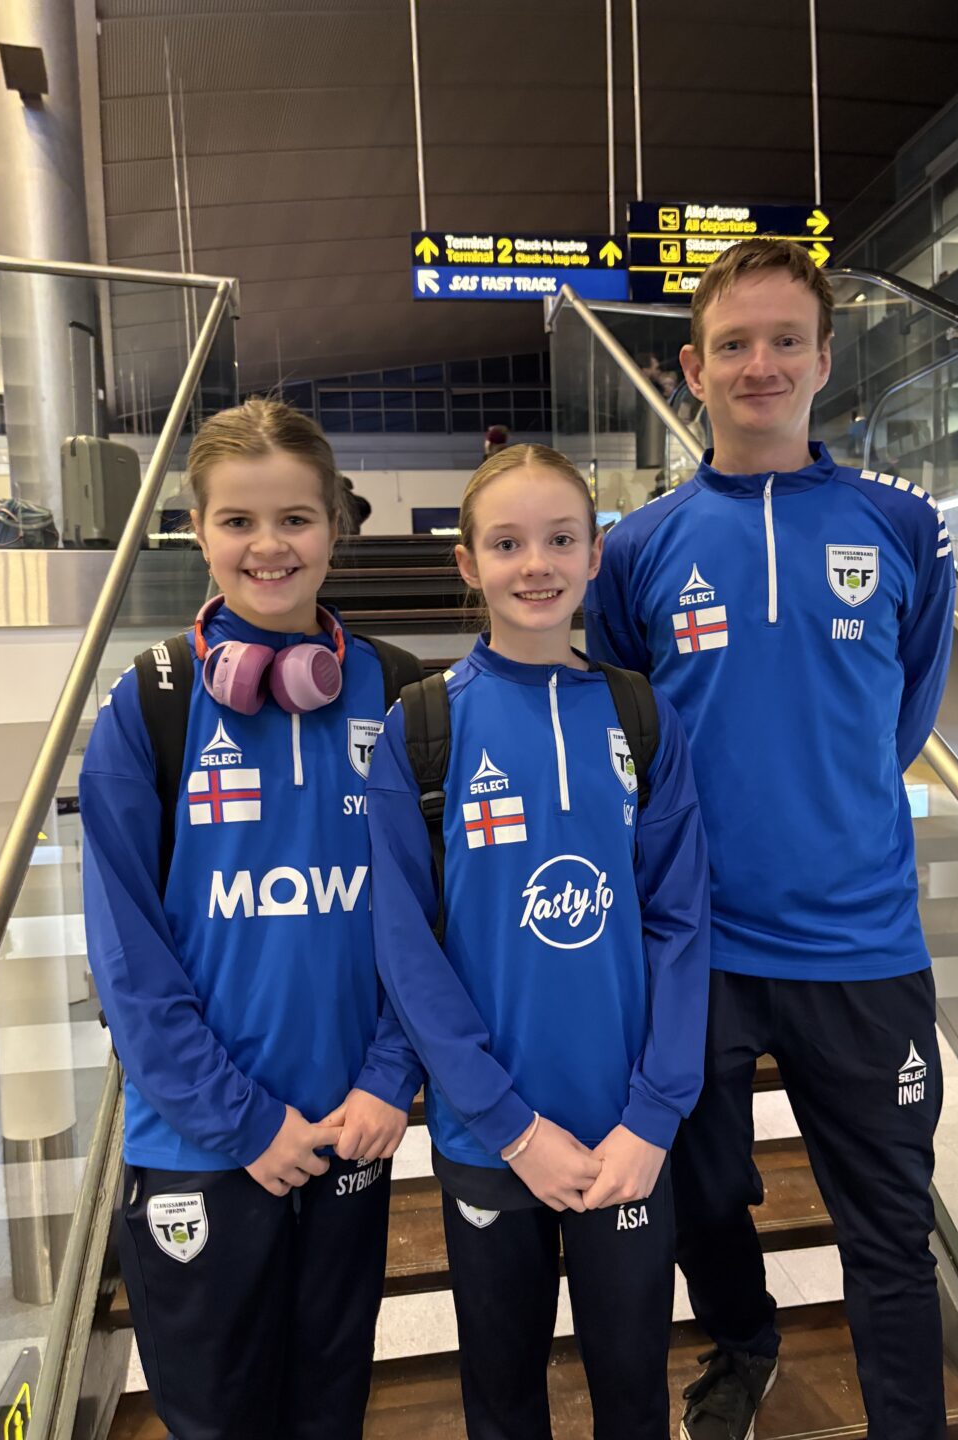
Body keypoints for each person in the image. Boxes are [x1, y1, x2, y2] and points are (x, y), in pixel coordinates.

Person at [585, 239, 956, 1440]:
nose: (762, 364)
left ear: (825, 359)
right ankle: (743, 1343)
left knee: (891, 1229)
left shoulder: (904, 528)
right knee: (700, 1193)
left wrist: (824, 794)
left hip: (864, 947)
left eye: (785, 340)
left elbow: (901, 719)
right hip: (700, 944)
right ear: (693, 370)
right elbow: (626, 734)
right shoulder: (637, 549)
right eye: (734, 344)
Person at [80, 399, 422, 1440]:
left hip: (352, 1129)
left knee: (329, 1407)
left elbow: (431, 924)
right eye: (238, 521)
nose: (268, 546)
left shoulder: (401, 694)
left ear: (336, 527)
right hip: (201, 1141)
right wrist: (243, 1122)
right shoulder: (151, 704)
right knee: (220, 1419)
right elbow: (129, 961)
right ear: (197, 530)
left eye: (296, 519)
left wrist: (388, 1078)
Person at [366, 443, 712, 1439]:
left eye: (561, 539)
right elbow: (407, 952)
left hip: (625, 1134)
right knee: (504, 1394)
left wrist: (654, 1114)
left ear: (596, 555)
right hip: (489, 1138)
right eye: (507, 543)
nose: (537, 564)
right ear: (468, 562)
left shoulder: (641, 717)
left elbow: (680, 923)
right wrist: (510, 1125)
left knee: (633, 1393)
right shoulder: (422, 730)